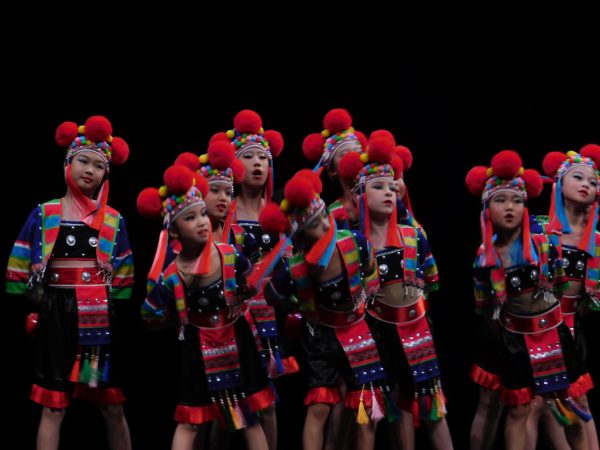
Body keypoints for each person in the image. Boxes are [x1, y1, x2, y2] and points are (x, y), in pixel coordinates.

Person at [6, 116, 134, 450]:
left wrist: (109, 302)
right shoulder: (45, 213)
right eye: (83, 161)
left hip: (99, 316)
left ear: (107, 174)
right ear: (67, 162)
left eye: (99, 166)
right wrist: (39, 302)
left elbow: (122, 273)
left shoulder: (113, 220)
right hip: (56, 313)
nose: (90, 170)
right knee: (52, 405)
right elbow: (20, 265)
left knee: (112, 404)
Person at [138, 164, 274, 450]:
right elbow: (149, 314)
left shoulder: (228, 254)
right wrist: (174, 321)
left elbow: (250, 282)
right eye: (190, 218)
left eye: (202, 213)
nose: (201, 222)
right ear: (173, 232)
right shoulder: (171, 275)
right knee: (190, 422)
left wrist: (249, 289)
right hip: (197, 348)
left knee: (249, 414)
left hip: (238, 340)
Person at [261, 170, 398, 450]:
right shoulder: (294, 268)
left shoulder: (355, 242)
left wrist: (365, 296)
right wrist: (302, 309)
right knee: (320, 406)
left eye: (324, 217)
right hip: (321, 338)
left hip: (358, 329)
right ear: (298, 237)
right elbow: (272, 294)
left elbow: (371, 271)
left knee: (366, 406)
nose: (325, 226)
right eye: (314, 224)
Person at [466, 150, 589, 450]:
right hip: (515, 341)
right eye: (501, 200)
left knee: (571, 404)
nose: (510, 207)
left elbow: (559, 285)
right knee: (519, 410)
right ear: (486, 208)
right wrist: (511, 335)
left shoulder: (543, 243)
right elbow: (485, 310)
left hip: (553, 334)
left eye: (517, 201)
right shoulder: (484, 259)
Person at [337, 137, 453, 450]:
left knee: (431, 408)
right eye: (379, 187)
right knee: (367, 412)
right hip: (370, 331)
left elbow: (432, 280)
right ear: (360, 194)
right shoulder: (351, 243)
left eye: (392, 187)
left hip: (415, 327)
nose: (389, 192)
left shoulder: (413, 234)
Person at [208, 110, 295, 450]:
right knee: (225, 402)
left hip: (270, 315)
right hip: (233, 315)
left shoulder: (279, 213)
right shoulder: (221, 211)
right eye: (249, 157)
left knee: (266, 401)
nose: (258, 163)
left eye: (263, 157)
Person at [535, 146, 600, 450]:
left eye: (594, 181)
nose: (587, 184)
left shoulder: (597, 239)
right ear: (559, 183)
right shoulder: (538, 231)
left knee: (578, 400)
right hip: (536, 328)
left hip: (573, 328)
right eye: (578, 177)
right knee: (540, 404)